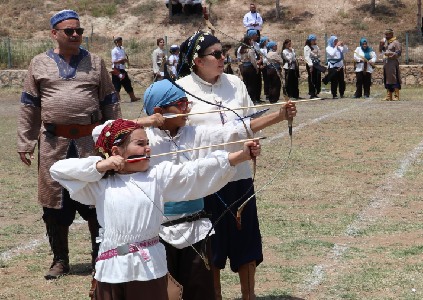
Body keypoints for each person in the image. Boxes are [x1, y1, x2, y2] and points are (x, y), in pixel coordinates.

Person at [49, 118, 261, 300]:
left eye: (148, 143)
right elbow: (58, 171)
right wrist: (100, 166)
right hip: (110, 267)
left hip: (147, 267)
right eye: (140, 144)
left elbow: (195, 172)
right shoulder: (100, 182)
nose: (148, 148)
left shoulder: (157, 175)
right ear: (116, 151)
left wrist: (240, 156)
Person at [175, 30, 297, 300]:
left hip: (239, 175)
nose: (223, 58)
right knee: (212, 246)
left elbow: (249, 123)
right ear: (197, 60)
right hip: (205, 179)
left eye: (224, 53)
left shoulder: (235, 83)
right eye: (216, 54)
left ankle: (248, 296)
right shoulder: (181, 89)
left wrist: (279, 115)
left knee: (247, 242)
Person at [17, 9, 121, 280]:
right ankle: (60, 260)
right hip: (53, 143)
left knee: (96, 201)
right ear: (54, 34)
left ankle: (100, 258)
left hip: (90, 142)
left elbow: (110, 101)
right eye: (69, 31)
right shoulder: (38, 63)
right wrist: (26, 141)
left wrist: (117, 137)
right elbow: (30, 105)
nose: (76, 35)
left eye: (79, 31)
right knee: (54, 203)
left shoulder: (96, 63)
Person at [111, 36, 141, 102]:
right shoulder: (114, 51)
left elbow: (124, 57)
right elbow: (113, 61)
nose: (121, 43)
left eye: (121, 41)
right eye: (120, 42)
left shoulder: (122, 49)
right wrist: (122, 60)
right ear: (116, 42)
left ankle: (133, 97)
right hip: (116, 69)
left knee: (127, 83)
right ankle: (118, 99)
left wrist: (126, 61)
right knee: (117, 85)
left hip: (122, 68)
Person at [238, 32, 263, 104]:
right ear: (249, 41)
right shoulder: (250, 50)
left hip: (244, 67)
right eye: (251, 40)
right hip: (250, 68)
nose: (252, 41)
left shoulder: (242, 50)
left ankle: (247, 99)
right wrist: (256, 68)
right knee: (252, 84)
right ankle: (252, 99)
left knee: (246, 83)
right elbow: (253, 61)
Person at [381, 29, 402, 101]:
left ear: (391, 34)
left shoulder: (396, 42)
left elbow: (398, 53)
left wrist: (390, 54)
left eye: (387, 34)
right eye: (385, 35)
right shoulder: (386, 43)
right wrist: (380, 45)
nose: (386, 36)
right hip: (386, 63)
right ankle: (389, 96)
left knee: (394, 78)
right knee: (387, 79)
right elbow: (381, 51)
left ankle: (396, 95)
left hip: (392, 63)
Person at [304, 34, 323, 99]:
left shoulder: (316, 46)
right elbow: (307, 57)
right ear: (310, 40)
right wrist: (310, 65)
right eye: (313, 40)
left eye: (315, 40)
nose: (314, 41)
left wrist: (316, 55)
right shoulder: (307, 47)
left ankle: (316, 92)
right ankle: (312, 93)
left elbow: (319, 54)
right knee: (312, 78)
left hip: (317, 63)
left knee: (318, 77)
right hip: (311, 64)